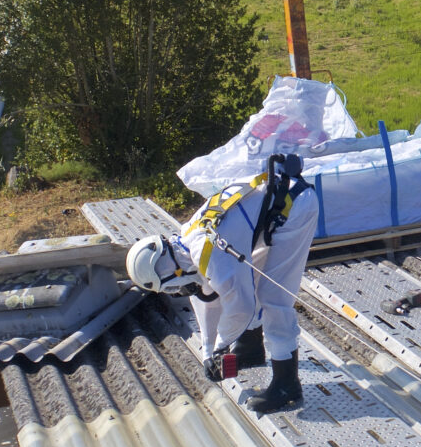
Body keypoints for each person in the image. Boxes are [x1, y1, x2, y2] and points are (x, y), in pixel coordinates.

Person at [125, 153, 319, 414]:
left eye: (171, 287)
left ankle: (287, 386)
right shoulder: (187, 239)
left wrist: (220, 347)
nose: (179, 290)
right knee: (249, 283)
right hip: (275, 203)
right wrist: (209, 351)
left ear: (168, 270)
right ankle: (250, 349)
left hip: (295, 207)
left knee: (273, 297)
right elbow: (207, 297)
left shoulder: (207, 252)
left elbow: (241, 307)